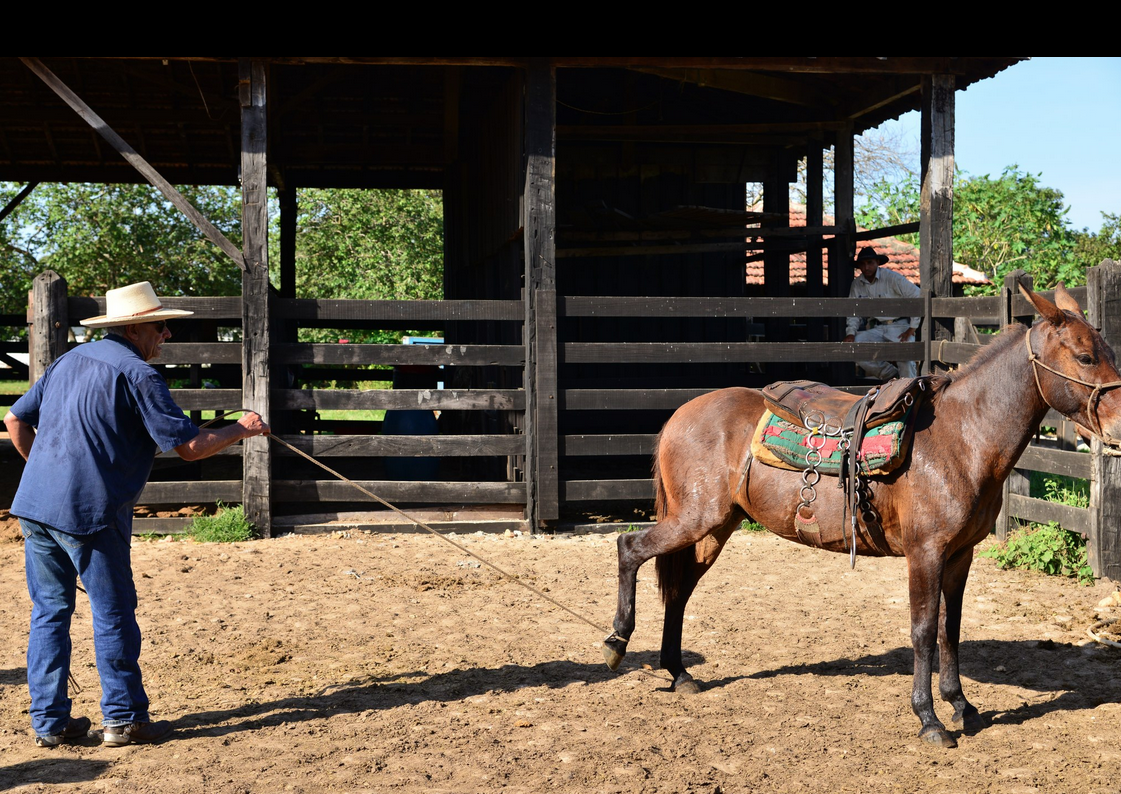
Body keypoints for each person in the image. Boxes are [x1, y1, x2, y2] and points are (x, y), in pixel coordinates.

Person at [3, 281, 270, 748]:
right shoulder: (139, 375)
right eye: (160, 325)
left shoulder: (68, 361)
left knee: (50, 612)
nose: (166, 333)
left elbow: (15, 419)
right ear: (136, 327)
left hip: (35, 507)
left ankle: (49, 723)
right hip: (89, 513)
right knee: (113, 612)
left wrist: (46, 472)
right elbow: (190, 448)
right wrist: (241, 428)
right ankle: (124, 719)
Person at [842, 247, 922, 380]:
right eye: (862, 264)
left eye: (870, 263)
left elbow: (917, 295)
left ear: (877, 262)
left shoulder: (892, 278)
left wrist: (912, 327)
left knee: (905, 359)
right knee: (853, 347)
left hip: (899, 326)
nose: (866, 267)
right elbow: (853, 311)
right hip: (876, 328)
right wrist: (850, 332)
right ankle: (890, 374)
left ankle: (909, 391)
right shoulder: (856, 284)